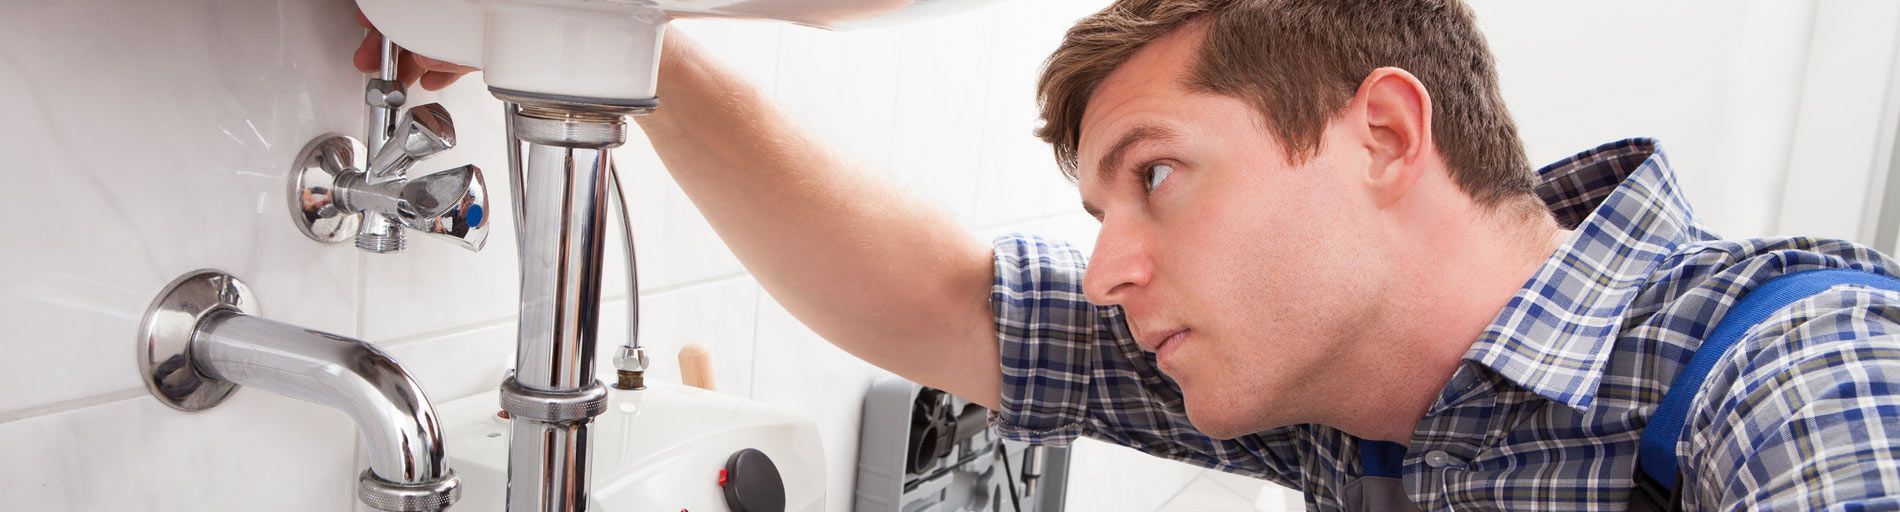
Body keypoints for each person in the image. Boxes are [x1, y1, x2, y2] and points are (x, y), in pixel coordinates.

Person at [360, 1, 1900, 509]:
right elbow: (955, 306)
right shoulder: (1353, 395)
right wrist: (606, 37)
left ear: (1381, 134)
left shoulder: (1791, 373)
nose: (1110, 268)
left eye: (1156, 179)